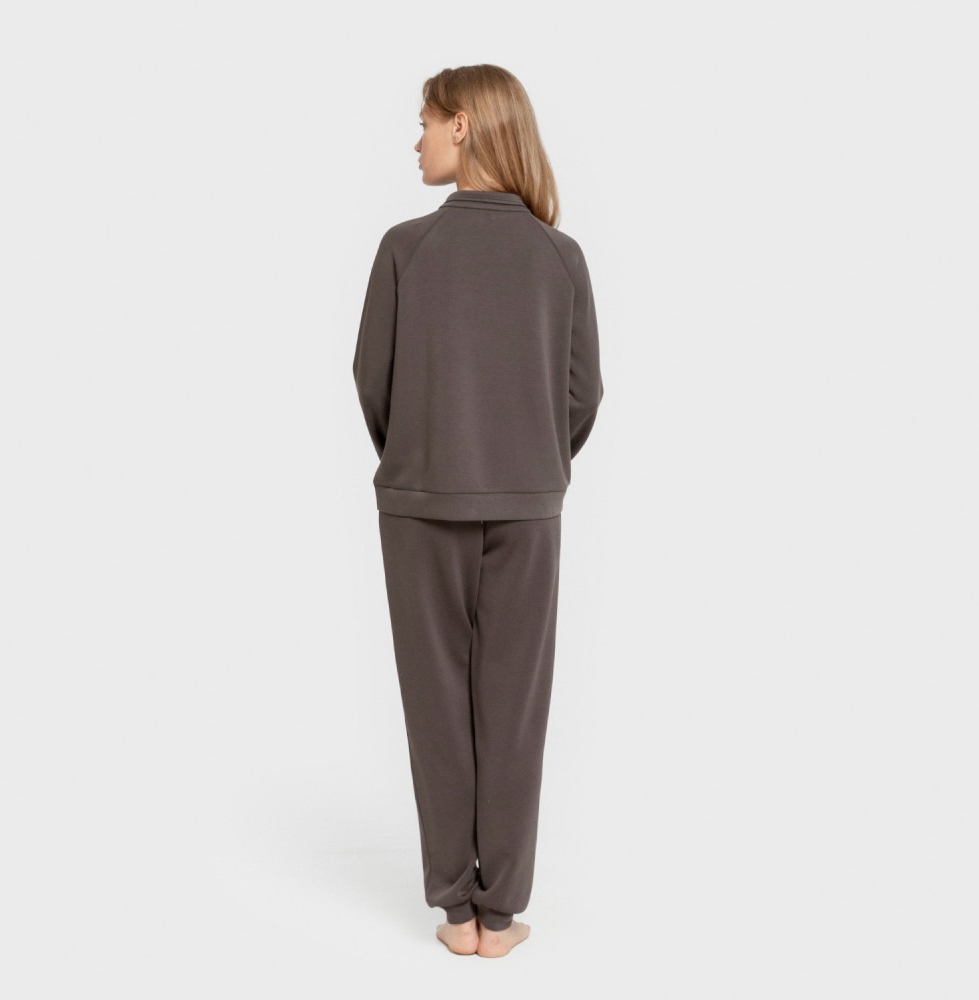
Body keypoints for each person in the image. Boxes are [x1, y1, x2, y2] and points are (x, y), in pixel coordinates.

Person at [352, 64, 604, 958]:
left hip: (421, 503)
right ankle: (500, 917)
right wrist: (528, 465)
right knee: (514, 706)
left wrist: (423, 459)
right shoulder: (559, 256)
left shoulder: (405, 248)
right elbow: (582, 395)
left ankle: (454, 911)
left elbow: (372, 380)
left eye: (425, 122)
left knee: (435, 703)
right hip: (528, 505)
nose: (416, 140)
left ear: (461, 126)